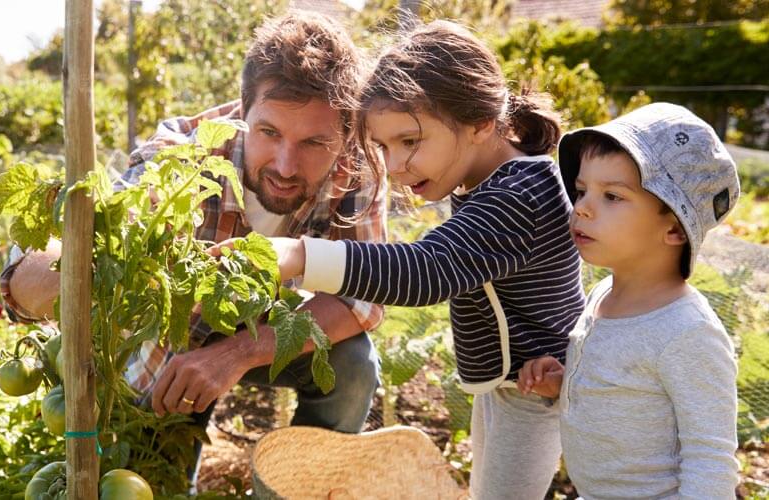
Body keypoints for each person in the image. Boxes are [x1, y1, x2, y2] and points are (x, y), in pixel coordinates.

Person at [0, 11, 387, 466]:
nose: (285, 165)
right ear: (243, 110)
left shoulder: (356, 170)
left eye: (313, 144)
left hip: (269, 328)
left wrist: (239, 352)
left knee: (353, 364)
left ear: (344, 136)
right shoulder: (184, 155)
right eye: (269, 132)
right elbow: (107, 230)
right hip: (176, 340)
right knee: (154, 470)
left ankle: (304, 484)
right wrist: (51, 268)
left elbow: (362, 299)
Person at [222, 20, 586, 499]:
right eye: (383, 147)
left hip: (538, 389)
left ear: (479, 122)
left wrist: (297, 255)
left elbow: (426, 271)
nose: (394, 167)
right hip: (515, 383)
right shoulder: (490, 182)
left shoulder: (520, 194)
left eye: (409, 141)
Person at [518, 102, 740, 498]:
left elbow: (711, 458)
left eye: (612, 197)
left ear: (673, 227)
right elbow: (627, 387)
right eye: (583, 190)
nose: (582, 208)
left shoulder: (687, 333)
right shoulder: (604, 294)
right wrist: (566, 382)